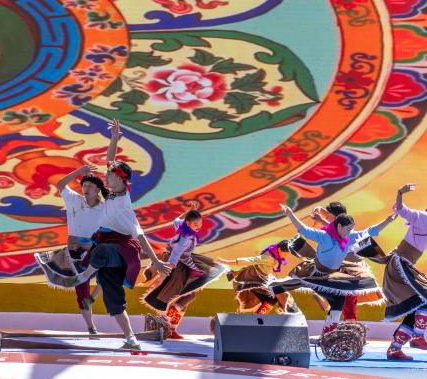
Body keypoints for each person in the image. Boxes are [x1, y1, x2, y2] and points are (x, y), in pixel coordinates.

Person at [71, 120, 170, 351]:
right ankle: (131, 339)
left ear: (120, 179)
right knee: (113, 300)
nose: (105, 178)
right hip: (110, 254)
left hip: (122, 249)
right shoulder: (113, 192)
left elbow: (140, 236)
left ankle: (84, 275)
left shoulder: (123, 204)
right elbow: (110, 160)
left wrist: (155, 261)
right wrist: (114, 138)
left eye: (110, 176)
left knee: (99, 250)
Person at [272, 204, 395, 334]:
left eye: (351, 229)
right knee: (301, 283)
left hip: (332, 275)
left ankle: (328, 331)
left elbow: (370, 231)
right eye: (348, 229)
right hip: (316, 273)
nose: (350, 232)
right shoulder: (324, 236)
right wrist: (290, 214)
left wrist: (388, 221)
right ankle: (276, 288)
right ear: (339, 226)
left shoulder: (349, 237)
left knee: (340, 300)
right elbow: (303, 229)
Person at [34, 165, 108, 334]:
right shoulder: (74, 199)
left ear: (98, 190)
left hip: (94, 250)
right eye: (84, 185)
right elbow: (61, 184)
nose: (86, 188)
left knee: (110, 274)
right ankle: (91, 327)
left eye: (90, 186)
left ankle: (93, 297)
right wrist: (78, 171)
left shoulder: (105, 207)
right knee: (81, 290)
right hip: (75, 254)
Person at [142, 203, 227, 339]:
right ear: (188, 223)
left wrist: (189, 211)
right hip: (179, 265)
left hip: (183, 262)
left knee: (187, 297)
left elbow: (175, 220)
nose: (198, 227)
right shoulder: (187, 238)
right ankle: (166, 322)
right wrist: (166, 272)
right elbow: (176, 254)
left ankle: (171, 328)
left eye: (200, 224)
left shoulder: (182, 226)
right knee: (188, 295)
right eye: (195, 224)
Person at [381, 184, 427, 360]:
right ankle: (417, 336)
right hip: (400, 264)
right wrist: (400, 193)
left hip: (406, 265)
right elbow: (401, 209)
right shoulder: (422, 217)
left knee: (416, 306)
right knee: (424, 298)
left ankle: (395, 349)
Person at [219, 241, 301, 315]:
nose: (287, 255)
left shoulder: (275, 252)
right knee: (277, 292)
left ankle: (261, 314)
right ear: (279, 249)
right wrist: (227, 262)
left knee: (273, 296)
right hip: (258, 278)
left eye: (288, 253)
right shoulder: (269, 257)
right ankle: (291, 312)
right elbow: (251, 260)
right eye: (285, 253)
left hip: (264, 276)